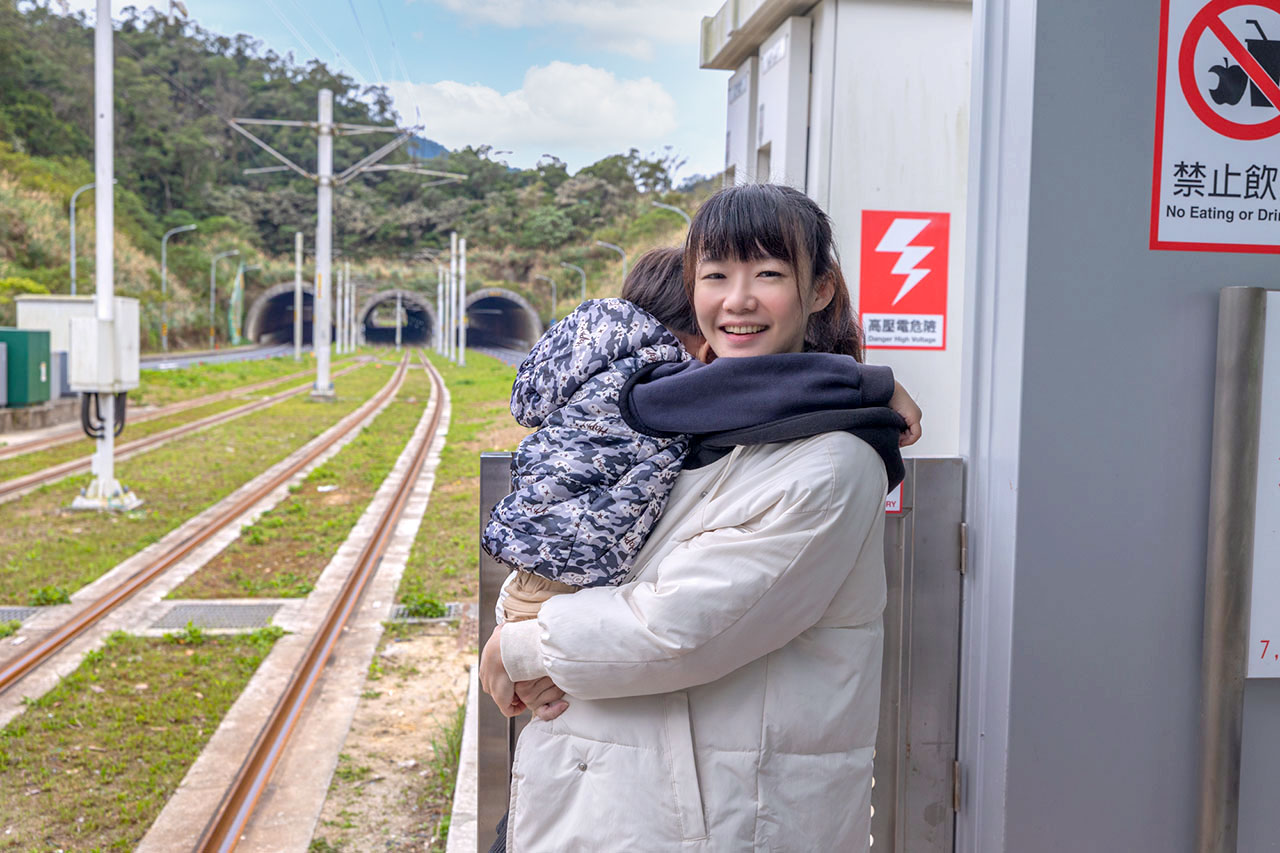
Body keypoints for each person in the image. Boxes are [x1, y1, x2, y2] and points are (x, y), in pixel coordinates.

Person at [480, 183, 902, 851]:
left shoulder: (832, 463)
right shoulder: (684, 427)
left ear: (820, 289)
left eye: (769, 274)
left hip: (722, 820)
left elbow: (680, 628)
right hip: (619, 802)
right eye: (716, 275)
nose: (738, 299)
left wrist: (521, 645)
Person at [484, 247, 919, 674]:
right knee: (539, 679)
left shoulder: (600, 356)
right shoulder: (649, 380)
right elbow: (760, 389)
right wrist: (873, 385)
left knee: (539, 679)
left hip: (549, 551)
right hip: (570, 563)